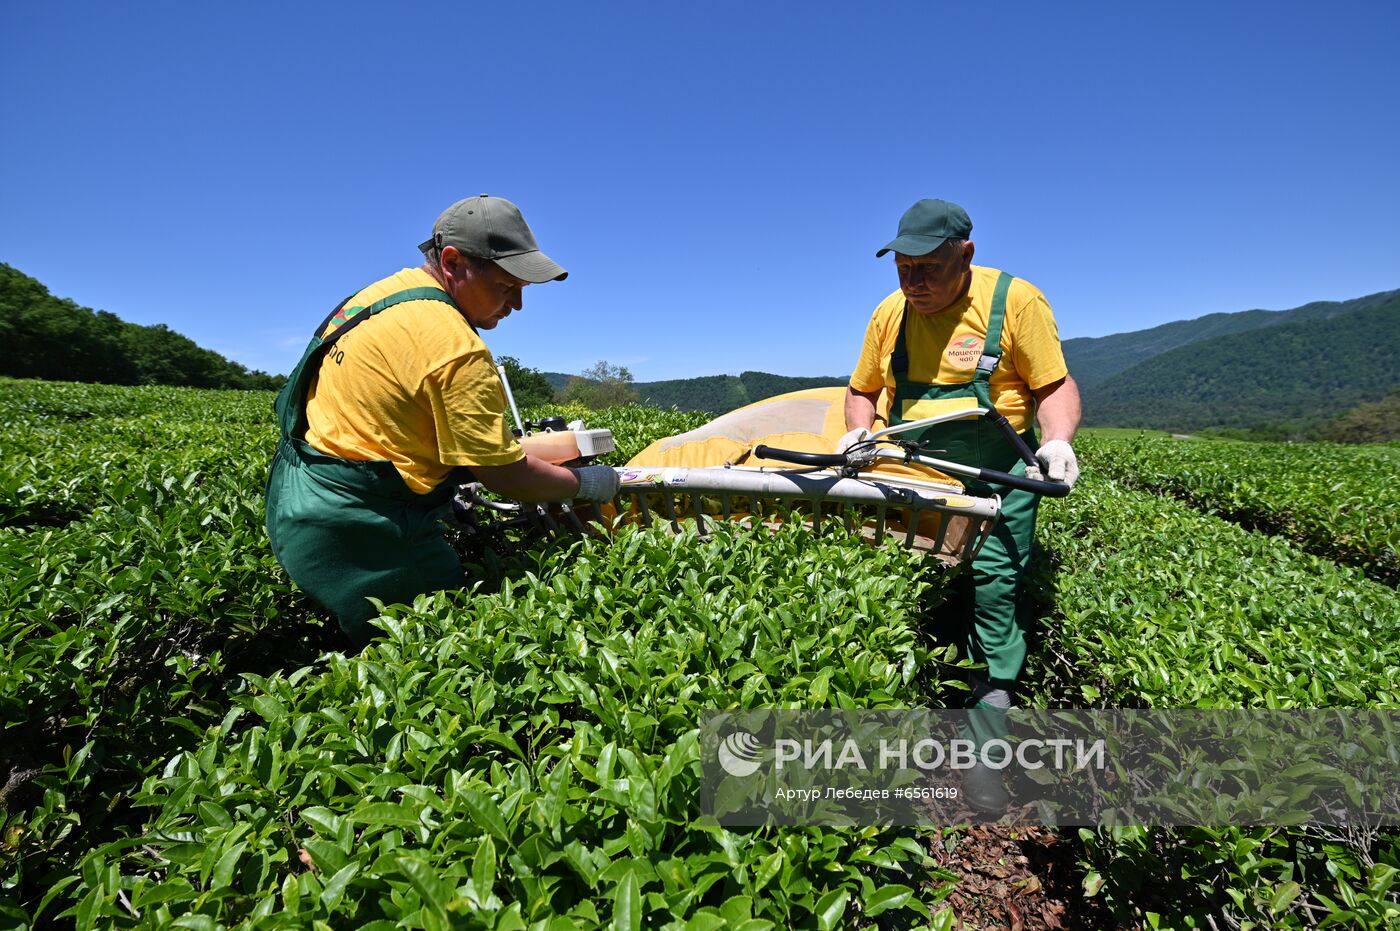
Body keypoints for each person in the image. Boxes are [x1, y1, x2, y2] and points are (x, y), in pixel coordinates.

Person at [265, 195, 619, 646]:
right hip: (364, 530)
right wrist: (589, 484)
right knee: (444, 656)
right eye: (508, 286)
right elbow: (505, 476)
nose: (518, 305)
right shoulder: (456, 349)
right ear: (452, 261)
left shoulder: (376, 298)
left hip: (296, 498)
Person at [840, 198, 1081, 810]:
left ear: (965, 255)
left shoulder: (1014, 302)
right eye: (902, 267)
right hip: (916, 470)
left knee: (997, 588)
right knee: (906, 578)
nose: (913, 282)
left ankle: (984, 744)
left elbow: (1054, 386)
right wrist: (855, 431)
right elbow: (862, 391)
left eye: (929, 268)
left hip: (998, 470)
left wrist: (1055, 442)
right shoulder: (890, 313)